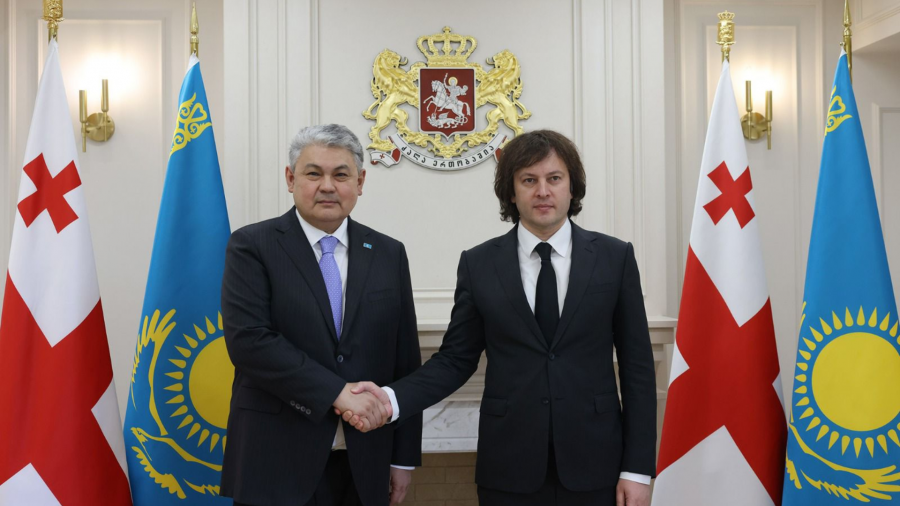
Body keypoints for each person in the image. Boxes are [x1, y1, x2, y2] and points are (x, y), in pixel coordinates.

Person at [346, 130, 656, 506]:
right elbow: (455, 360)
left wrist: (637, 469)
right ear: (511, 191)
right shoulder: (478, 264)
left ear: (572, 187)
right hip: (508, 467)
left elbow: (638, 368)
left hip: (598, 464)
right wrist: (391, 400)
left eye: (554, 178)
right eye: (529, 180)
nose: (543, 191)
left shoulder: (615, 258)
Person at [219, 124, 422, 506]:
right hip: (275, 459)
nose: (327, 186)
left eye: (340, 175)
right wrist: (337, 393)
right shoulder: (252, 246)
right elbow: (250, 342)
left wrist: (403, 458)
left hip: (365, 461)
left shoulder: (389, 253)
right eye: (313, 173)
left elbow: (405, 360)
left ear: (360, 182)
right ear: (290, 179)